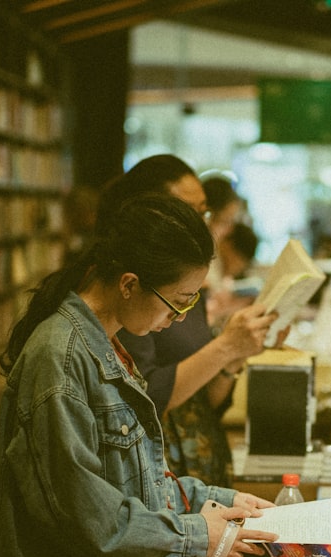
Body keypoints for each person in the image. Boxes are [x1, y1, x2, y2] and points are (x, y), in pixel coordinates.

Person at [0, 193, 278, 557]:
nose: (178, 317)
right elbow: (83, 512)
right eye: (176, 301)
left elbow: (130, 476)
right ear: (129, 284)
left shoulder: (108, 344)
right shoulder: (63, 355)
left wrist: (215, 499)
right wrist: (197, 535)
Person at [101, 155, 281, 488]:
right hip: (157, 474)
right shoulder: (136, 295)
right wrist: (225, 347)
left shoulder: (180, 280)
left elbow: (204, 400)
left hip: (193, 474)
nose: (205, 224)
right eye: (191, 211)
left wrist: (234, 355)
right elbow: (145, 396)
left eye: (204, 212)